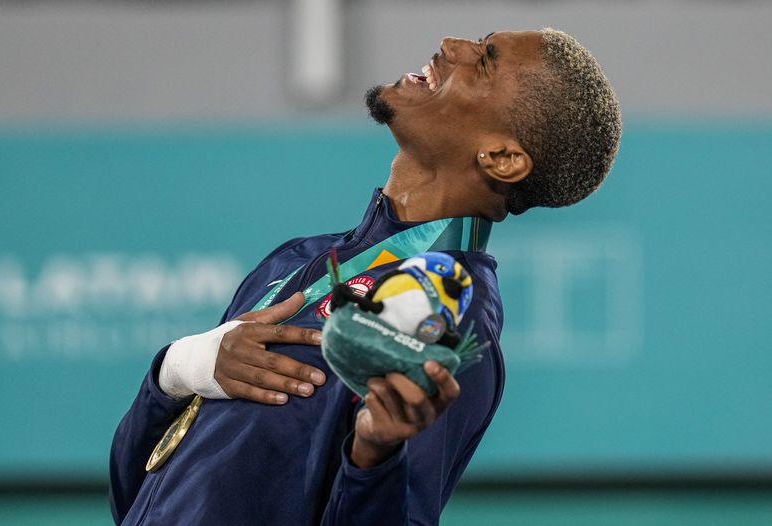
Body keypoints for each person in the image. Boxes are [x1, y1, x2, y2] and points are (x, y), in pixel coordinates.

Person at [110, 28, 621, 525]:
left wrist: (373, 457)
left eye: (484, 60)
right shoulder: (298, 259)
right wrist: (177, 370)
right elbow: (134, 499)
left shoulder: (448, 316)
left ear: (502, 158)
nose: (451, 45)